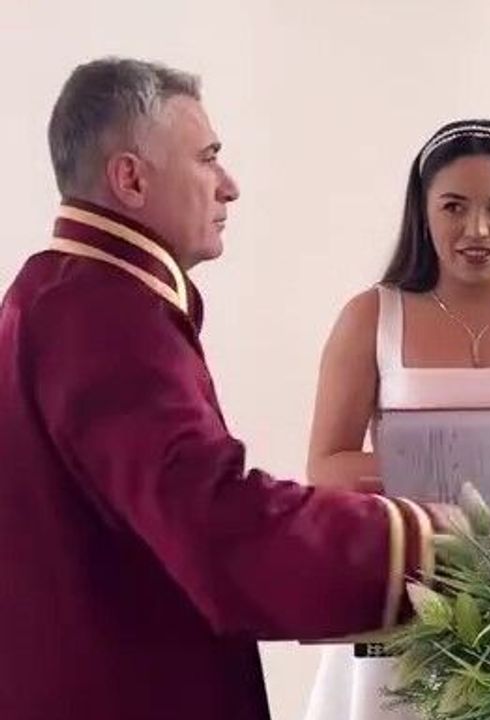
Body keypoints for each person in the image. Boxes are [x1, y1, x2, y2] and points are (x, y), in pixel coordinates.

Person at [0, 57, 442, 720]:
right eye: (208, 158)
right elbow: (217, 526)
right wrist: (422, 542)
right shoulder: (103, 314)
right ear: (130, 178)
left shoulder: (58, 292)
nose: (229, 187)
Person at [304, 119, 490, 720]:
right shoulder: (371, 315)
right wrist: (463, 466)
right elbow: (325, 467)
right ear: (423, 212)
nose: (478, 230)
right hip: (406, 591)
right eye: (454, 207)